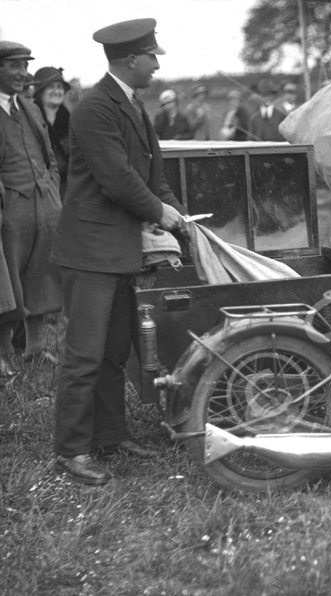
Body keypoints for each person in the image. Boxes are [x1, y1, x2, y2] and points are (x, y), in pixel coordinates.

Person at [51, 18, 186, 485]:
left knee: (113, 352)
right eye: (152, 57)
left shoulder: (131, 103)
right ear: (131, 59)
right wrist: (159, 212)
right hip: (90, 251)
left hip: (119, 250)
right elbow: (116, 179)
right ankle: (71, 450)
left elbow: (153, 177)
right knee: (84, 355)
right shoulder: (95, 108)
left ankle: (111, 434)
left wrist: (180, 218)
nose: (156, 64)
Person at [0, 42, 63, 377]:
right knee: (7, 281)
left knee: (41, 277)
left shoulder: (29, 107)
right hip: (10, 209)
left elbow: (49, 156)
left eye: (25, 66)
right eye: (14, 66)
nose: (23, 74)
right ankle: (4, 352)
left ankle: (35, 348)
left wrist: (51, 188)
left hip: (44, 205)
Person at [33, 66, 71, 198]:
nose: (57, 91)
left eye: (59, 87)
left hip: (69, 191)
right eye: (51, 87)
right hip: (41, 192)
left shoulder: (73, 121)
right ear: (40, 92)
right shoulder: (31, 121)